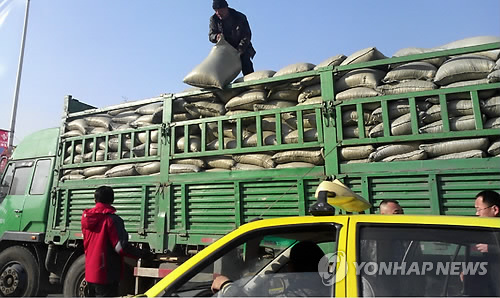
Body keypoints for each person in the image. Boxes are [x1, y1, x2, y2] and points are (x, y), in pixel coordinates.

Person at [81, 186, 150, 297]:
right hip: (106, 274)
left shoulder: (87, 219)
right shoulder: (112, 220)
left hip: (90, 273)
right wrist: (143, 254)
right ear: (112, 200)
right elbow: (120, 247)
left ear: (95, 200)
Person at [209, 0, 256, 75]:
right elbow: (211, 35)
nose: (218, 13)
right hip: (225, 49)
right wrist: (216, 37)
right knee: (220, 68)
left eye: (220, 10)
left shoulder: (240, 17)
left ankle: (250, 84)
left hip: (242, 48)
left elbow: (246, 36)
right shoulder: (214, 19)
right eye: (216, 11)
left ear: (226, 8)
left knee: (246, 63)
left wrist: (239, 50)